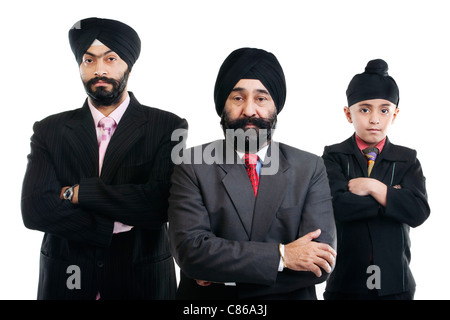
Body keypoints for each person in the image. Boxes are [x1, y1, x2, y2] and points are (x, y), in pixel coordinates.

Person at [21, 17, 188, 299]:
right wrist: (110, 223)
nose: (99, 70)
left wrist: (79, 193)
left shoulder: (168, 127)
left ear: (129, 66)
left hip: (142, 283)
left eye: (110, 59)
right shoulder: (49, 129)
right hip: (66, 282)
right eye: (89, 60)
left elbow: (158, 205)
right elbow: (35, 209)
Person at [168, 47, 336, 300]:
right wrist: (284, 256)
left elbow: (320, 263)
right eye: (237, 98)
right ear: (222, 105)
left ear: (275, 106)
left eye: (261, 98)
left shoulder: (310, 167)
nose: (249, 111)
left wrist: (223, 275)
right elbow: (191, 254)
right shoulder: (191, 165)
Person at [322, 59, 430, 300]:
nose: (374, 119)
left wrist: (374, 187)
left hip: (396, 282)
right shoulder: (334, 156)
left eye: (384, 110)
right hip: (346, 281)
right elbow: (335, 207)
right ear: (348, 114)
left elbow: (418, 211)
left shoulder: (406, 159)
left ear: (395, 114)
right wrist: (392, 198)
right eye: (364, 109)